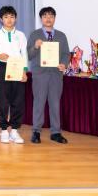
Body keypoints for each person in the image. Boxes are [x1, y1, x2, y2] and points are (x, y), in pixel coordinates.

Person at [27, 7, 71, 144]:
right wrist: (35, 46)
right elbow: (29, 55)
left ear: (54, 18)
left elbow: (66, 54)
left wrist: (64, 64)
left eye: (51, 16)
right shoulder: (34, 34)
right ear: (41, 19)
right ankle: (36, 132)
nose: (48, 18)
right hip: (40, 74)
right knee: (39, 103)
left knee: (55, 103)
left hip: (56, 75)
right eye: (45, 16)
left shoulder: (61, 36)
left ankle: (56, 132)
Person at [0, 6, 28, 144]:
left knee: (18, 100)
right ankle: (4, 130)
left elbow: (24, 53)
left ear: (15, 18)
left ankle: (15, 130)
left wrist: (24, 70)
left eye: (12, 16)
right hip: (3, 67)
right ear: (1, 19)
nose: (9, 19)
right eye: (6, 17)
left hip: (18, 67)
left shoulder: (21, 35)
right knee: (3, 99)